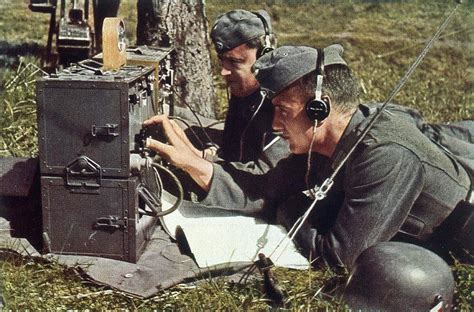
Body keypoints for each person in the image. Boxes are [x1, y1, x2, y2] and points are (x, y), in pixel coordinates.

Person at [145, 44, 473, 269]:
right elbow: (265, 189)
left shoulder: (385, 156)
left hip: (453, 248)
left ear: (319, 109)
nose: (275, 125)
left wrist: (290, 209)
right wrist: (194, 163)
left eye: (283, 112)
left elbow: (340, 259)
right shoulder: (325, 142)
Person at [173, 9, 289, 166]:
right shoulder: (246, 90)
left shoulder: (284, 103)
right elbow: (231, 151)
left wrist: (196, 158)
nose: (224, 72)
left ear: (265, 56)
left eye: (235, 62)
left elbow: (260, 180)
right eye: (222, 60)